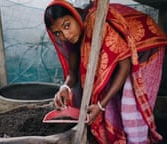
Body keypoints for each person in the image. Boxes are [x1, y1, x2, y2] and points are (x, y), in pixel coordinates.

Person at [44, 0, 167, 143]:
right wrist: (64, 87)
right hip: (125, 53)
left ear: (75, 14)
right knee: (112, 99)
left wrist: (101, 106)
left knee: (131, 109)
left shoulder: (98, 24)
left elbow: (125, 66)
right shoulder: (73, 38)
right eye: (57, 33)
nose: (65, 35)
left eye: (67, 25)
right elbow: (73, 72)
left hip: (146, 48)